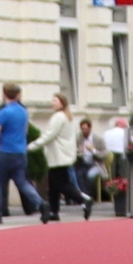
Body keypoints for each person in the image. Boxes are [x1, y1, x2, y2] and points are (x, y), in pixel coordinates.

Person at [0, 82, 39, 223]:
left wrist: (0, 134)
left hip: (5, 151)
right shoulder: (23, 111)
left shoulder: (4, 112)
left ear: (4, 94)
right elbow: (25, 130)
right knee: (22, 182)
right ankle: (40, 203)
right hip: (20, 152)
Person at [36, 93, 78, 222]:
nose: (52, 103)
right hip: (61, 155)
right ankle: (54, 211)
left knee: (61, 184)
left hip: (58, 156)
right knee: (53, 186)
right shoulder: (66, 117)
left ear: (61, 103)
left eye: (54, 100)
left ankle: (83, 199)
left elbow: (50, 134)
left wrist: (34, 145)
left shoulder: (58, 117)